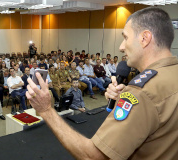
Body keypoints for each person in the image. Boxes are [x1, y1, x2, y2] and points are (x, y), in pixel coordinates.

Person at [26, 7, 178, 160]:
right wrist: (124, 97)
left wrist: (46, 110)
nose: (121, 47)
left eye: (125, 37)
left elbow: (93, 156)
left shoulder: (142, 92)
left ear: (145, 38)